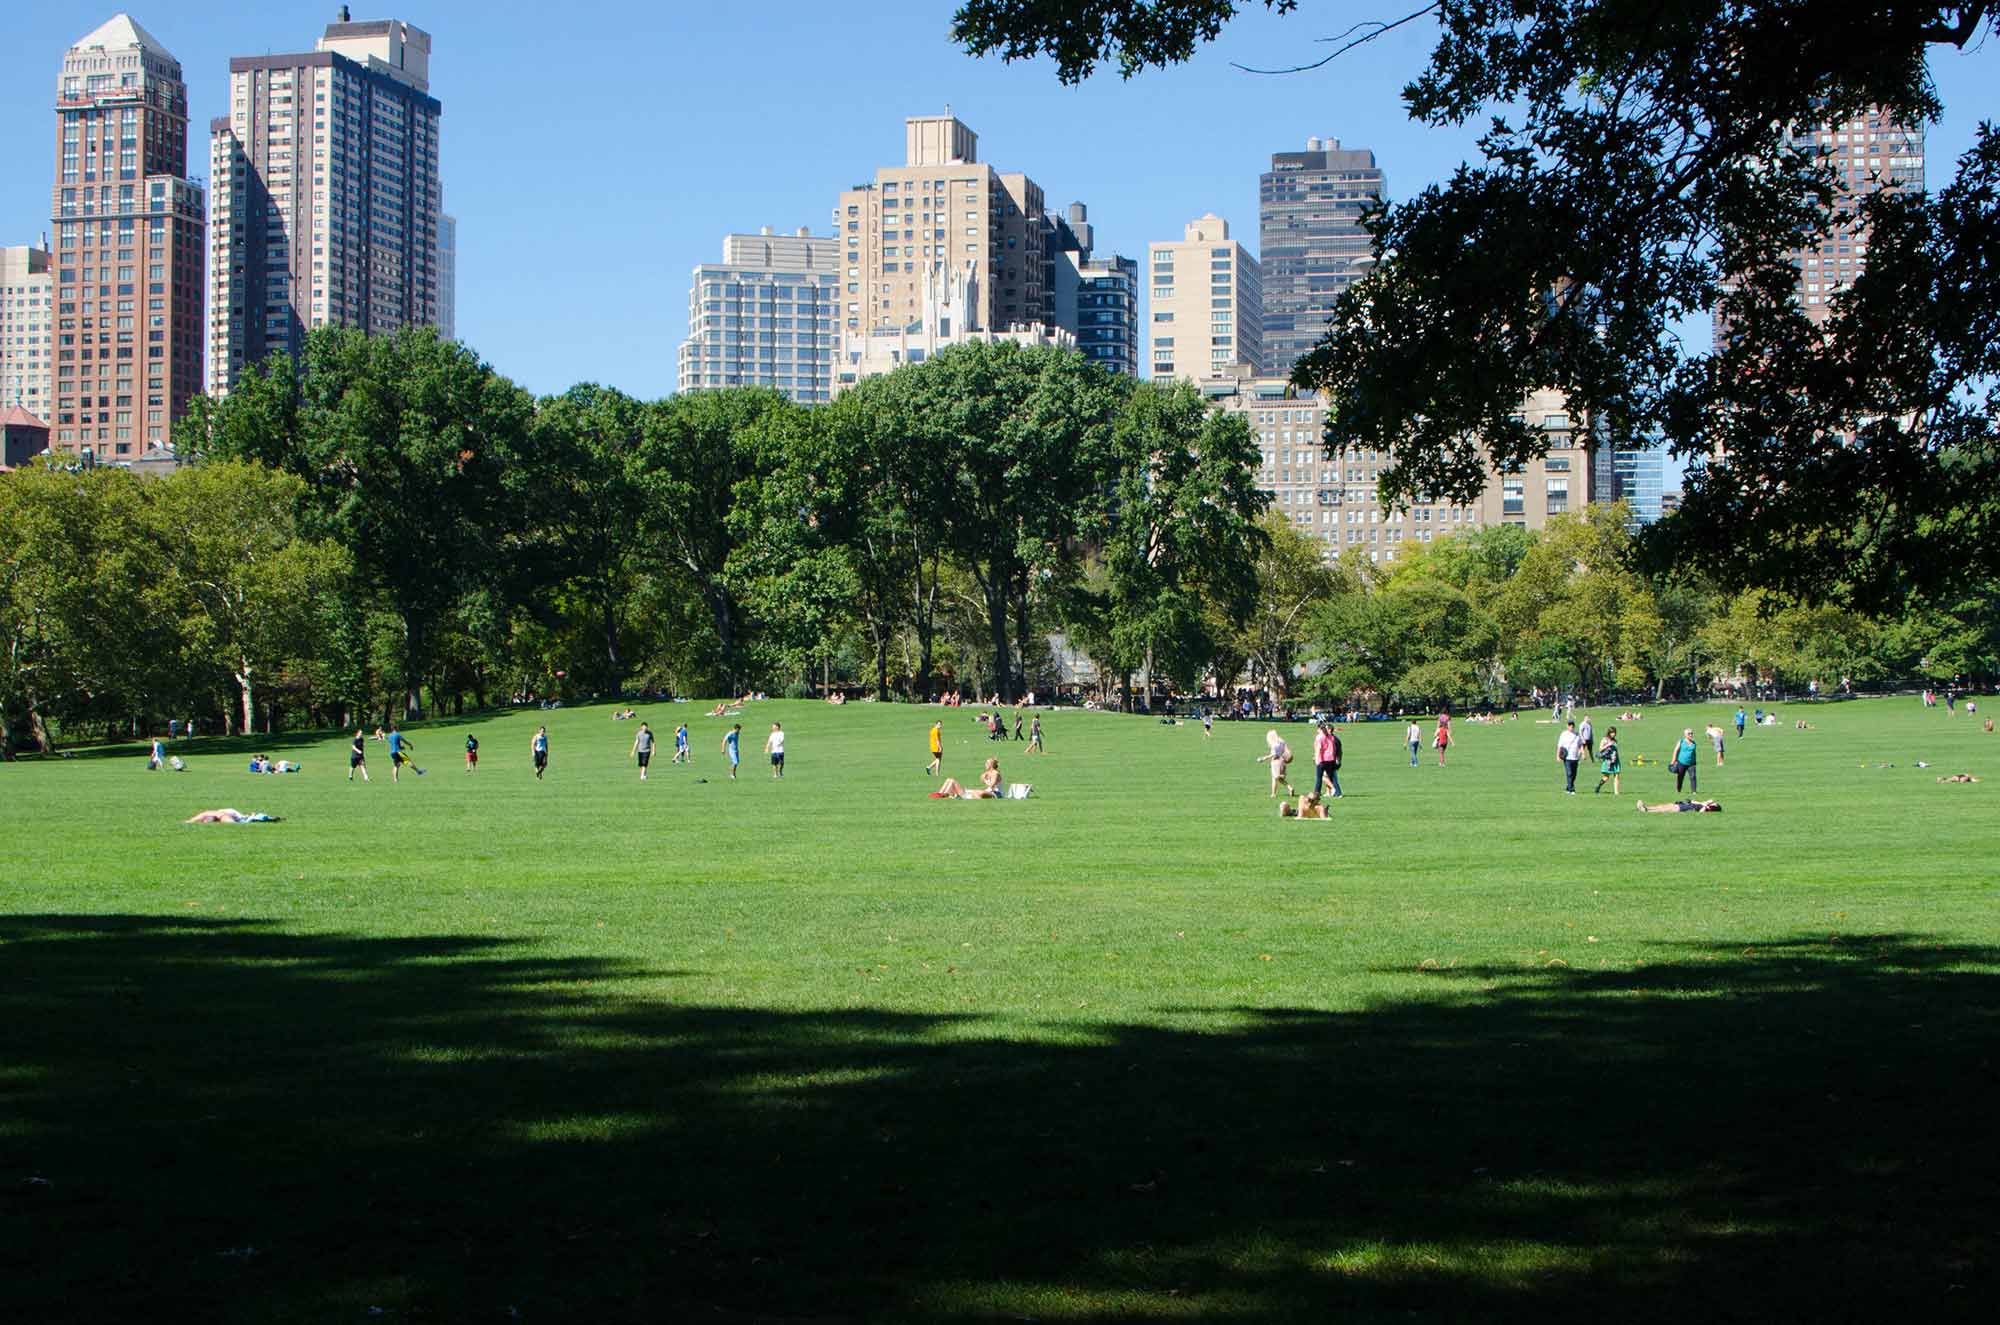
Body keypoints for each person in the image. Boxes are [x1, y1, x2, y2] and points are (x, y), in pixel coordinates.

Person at [1259, 729, 1296, 797]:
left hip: (1275, 761)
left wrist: (1264, 758)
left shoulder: (1274, 745)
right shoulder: (1282, 741)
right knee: (1279, 778)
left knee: (1275, 778)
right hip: (1282, 761)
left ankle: (1273, 794)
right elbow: (1287, 750)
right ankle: (1289, 788)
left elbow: (1273, 754)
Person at [1312, 721, 1343, 800]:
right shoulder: (1331, 737)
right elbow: (1333, 749)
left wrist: (1317, 759)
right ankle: (1337, 792)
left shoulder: (1319, 737)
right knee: (1331, 777)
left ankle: (1317, 794)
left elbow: (1319, 749)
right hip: (1330, 759)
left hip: (1322, 760)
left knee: (1319, 778)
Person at [1594, 726, 1622, 795]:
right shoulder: (1604, 739)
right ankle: (1598, 786)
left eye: (1614, 733)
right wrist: (1608, 745)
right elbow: (1600, 749)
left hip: (1615, 760)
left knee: (1617, 776)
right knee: (1606, 777)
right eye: (1612, 733)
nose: (1613, 734)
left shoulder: (1614, 740)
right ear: (1609, 732)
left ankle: (1616, 793)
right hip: (1608, 761)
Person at [1671, 728, 1700, 795]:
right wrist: (1673, 760)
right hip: (1681, 762)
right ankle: (1678, 790)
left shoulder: (1693, 743)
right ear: (1685, 735)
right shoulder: (1681, 741)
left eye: (1691, 733)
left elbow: (1694, 753)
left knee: (1693, 776)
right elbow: (1676, 751)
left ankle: (1694, 791)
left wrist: (1695, 762)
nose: (1690, 735)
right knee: (1680, 777)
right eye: (1689, 733)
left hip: (1691, 763)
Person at [1556, 720, 1582, 794]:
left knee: (1574, 774)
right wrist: (1557, 756)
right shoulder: (1563, 734)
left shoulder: (1577, 735)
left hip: (1575, 757)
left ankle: (1568, 787)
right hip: (1567, 757)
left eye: (1572, 725)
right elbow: (1559, 746)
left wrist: (1582, 753)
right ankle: (1572, 790)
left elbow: (1580, 745)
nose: (1571, 727)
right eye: (1570, 725)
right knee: (1569, 773)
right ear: (1567, 726)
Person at [185, 808, 281, 824]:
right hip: (236, 816)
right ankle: (269, 818)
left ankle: (269, 818)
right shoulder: (212, 813)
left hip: (236, 817)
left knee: (252, 818)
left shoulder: (222, 814)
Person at [1636, 798, 1723, 813]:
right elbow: (1696, 803)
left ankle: (1646, 810)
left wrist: (1706, 804)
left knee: (1663, 809)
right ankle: (1646, 808)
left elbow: (1701, 812)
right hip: (1682, 804)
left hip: (1682, 808)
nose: (1712, 803)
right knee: (1662, 806)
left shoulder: (1705, 809)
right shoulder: (1703, 804)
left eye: (1713, 804)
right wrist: (1691, 800)